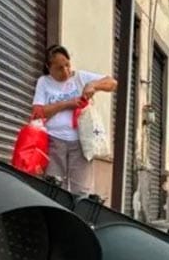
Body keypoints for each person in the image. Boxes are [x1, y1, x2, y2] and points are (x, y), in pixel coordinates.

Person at [31, 44, 117, 195]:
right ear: (48, 67)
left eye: (67, 65)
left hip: (81, 143)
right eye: (59, 68)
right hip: (53, 142)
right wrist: (66, 104)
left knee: (82, 190)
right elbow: (39, 113)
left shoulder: (80, 77)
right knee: (54, 187)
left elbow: (112, 83)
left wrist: (93, 85)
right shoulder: (44, 82)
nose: (65, 71)